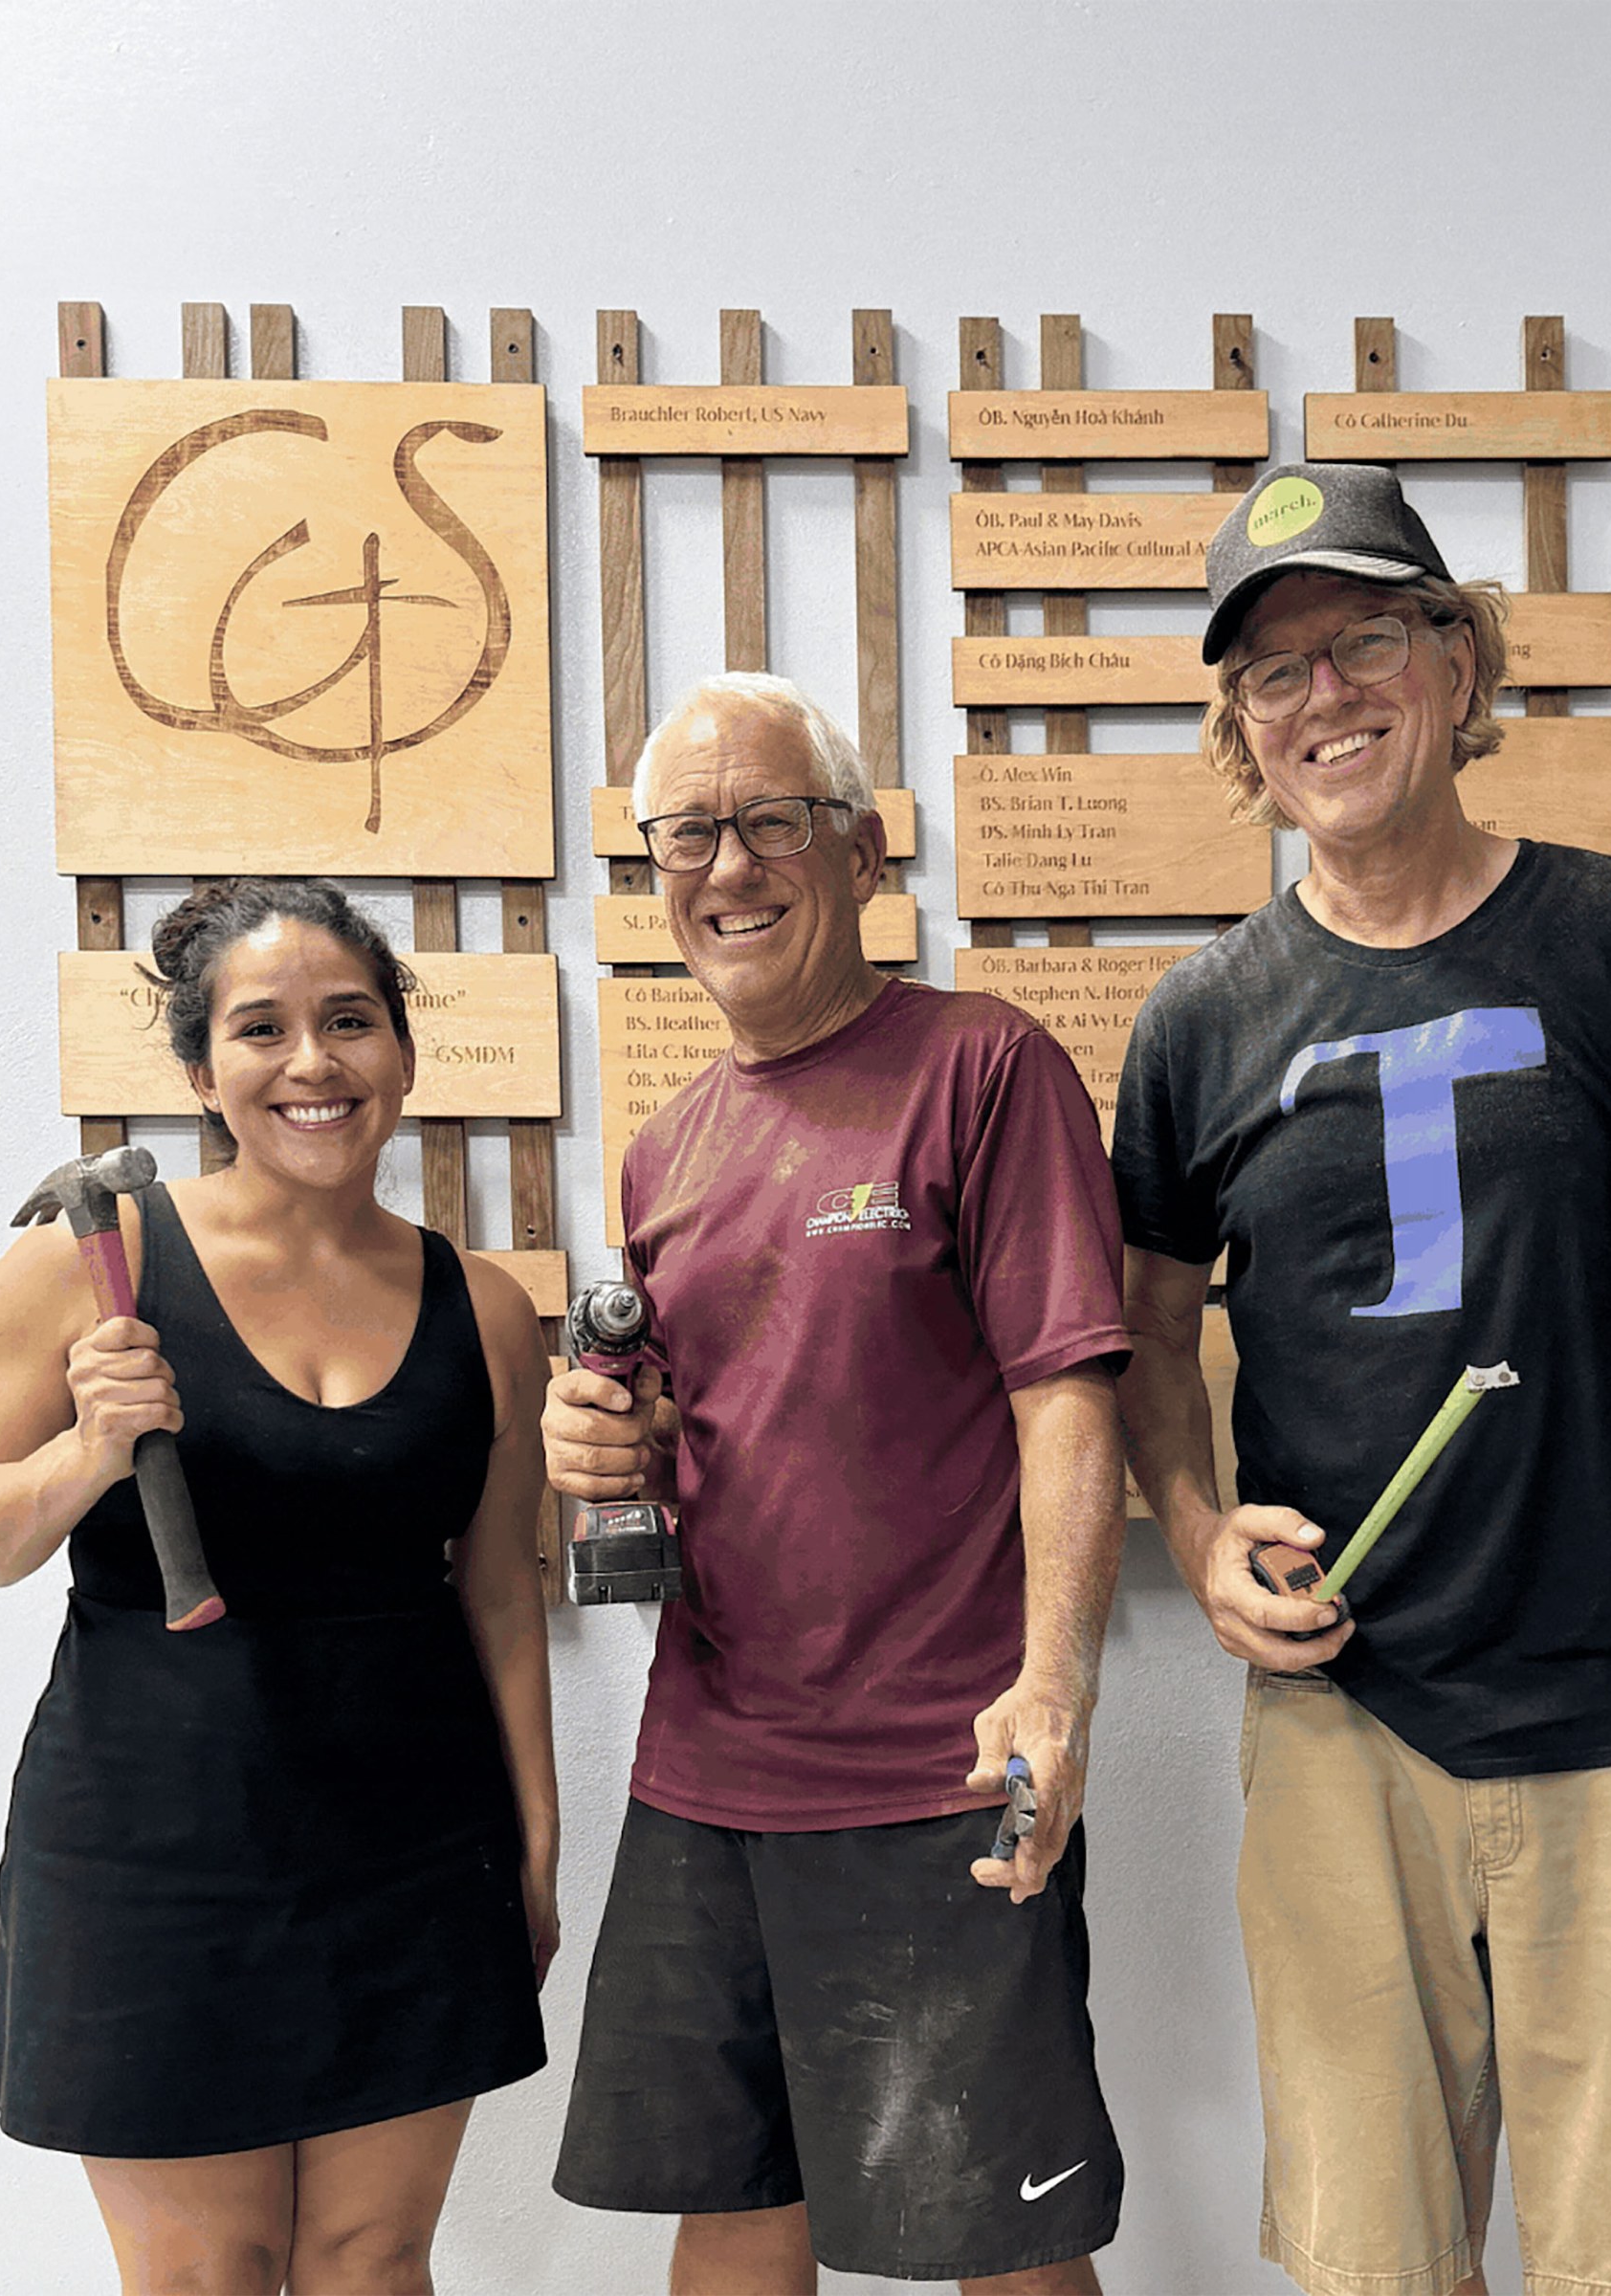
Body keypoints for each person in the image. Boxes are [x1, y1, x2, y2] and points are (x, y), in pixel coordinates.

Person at [1112, 463, 1611, 2296]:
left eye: (1362, 639)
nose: (1323, 698)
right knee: (1375, 2268)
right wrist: (1195, 1536)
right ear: (1239, 731)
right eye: (1273, 675)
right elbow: (1140, 1329)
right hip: (1347, 1722)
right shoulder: (1201, 1021)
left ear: (1456, 661)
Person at [544, 672, 1129, 2295]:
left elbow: (1066, 1395)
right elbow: (713, 1430)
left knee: (1001, 2236)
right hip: (707, 1770)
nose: (725, 867)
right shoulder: (663, 1151)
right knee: (729, 2213)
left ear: (862, 853)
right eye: (683, 835)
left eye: (769, 821)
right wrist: (600, 1445)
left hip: (941, 1770)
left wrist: (1057, 1685)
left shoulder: (986, 1070)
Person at [0, 878, 556, 2296]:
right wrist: (83, 1455)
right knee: (209, 2274)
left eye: (349, 1022)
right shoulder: (96, 1268)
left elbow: (502, 1598)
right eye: (260, 1030)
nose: (312, 1064)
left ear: (402, 1051)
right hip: (156, 1854)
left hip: (411, 1847)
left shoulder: (490, 1311)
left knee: (373, 2261)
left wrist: (536, 1841)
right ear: (203, 1073)